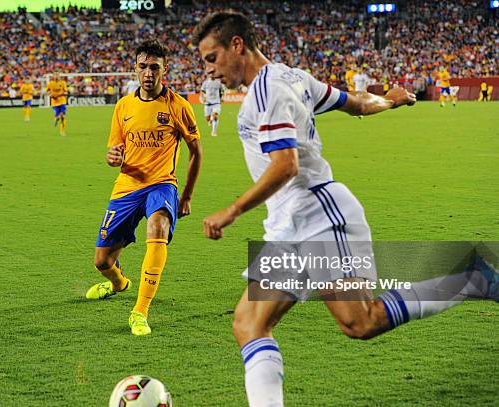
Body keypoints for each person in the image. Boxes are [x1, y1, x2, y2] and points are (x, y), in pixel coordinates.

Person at [192, 12, 498, 407]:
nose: (209, 70)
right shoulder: (293, 76)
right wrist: (391, 100)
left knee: (362, 321)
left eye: (211, 58)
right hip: (288, 225)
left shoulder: (268, 90)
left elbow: (287, 164)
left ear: (237, 45)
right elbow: (353, 103)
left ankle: (474, 279)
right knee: (249, 325)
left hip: (319, 215)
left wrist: (231, 211)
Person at [85, 40, 203, 336]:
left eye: (154, 67)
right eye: (143, 67)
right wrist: (112, 157)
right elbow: (115, 150)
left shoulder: (179, 106)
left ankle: (140, 311)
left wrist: (186, 196)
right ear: (135, 69)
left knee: (157, 228)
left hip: (162, 184)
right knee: (102, 262)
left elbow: (196, 152)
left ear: (165, 70)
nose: (148, 73)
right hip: (127, 187)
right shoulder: (124, 106)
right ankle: (119, 283)